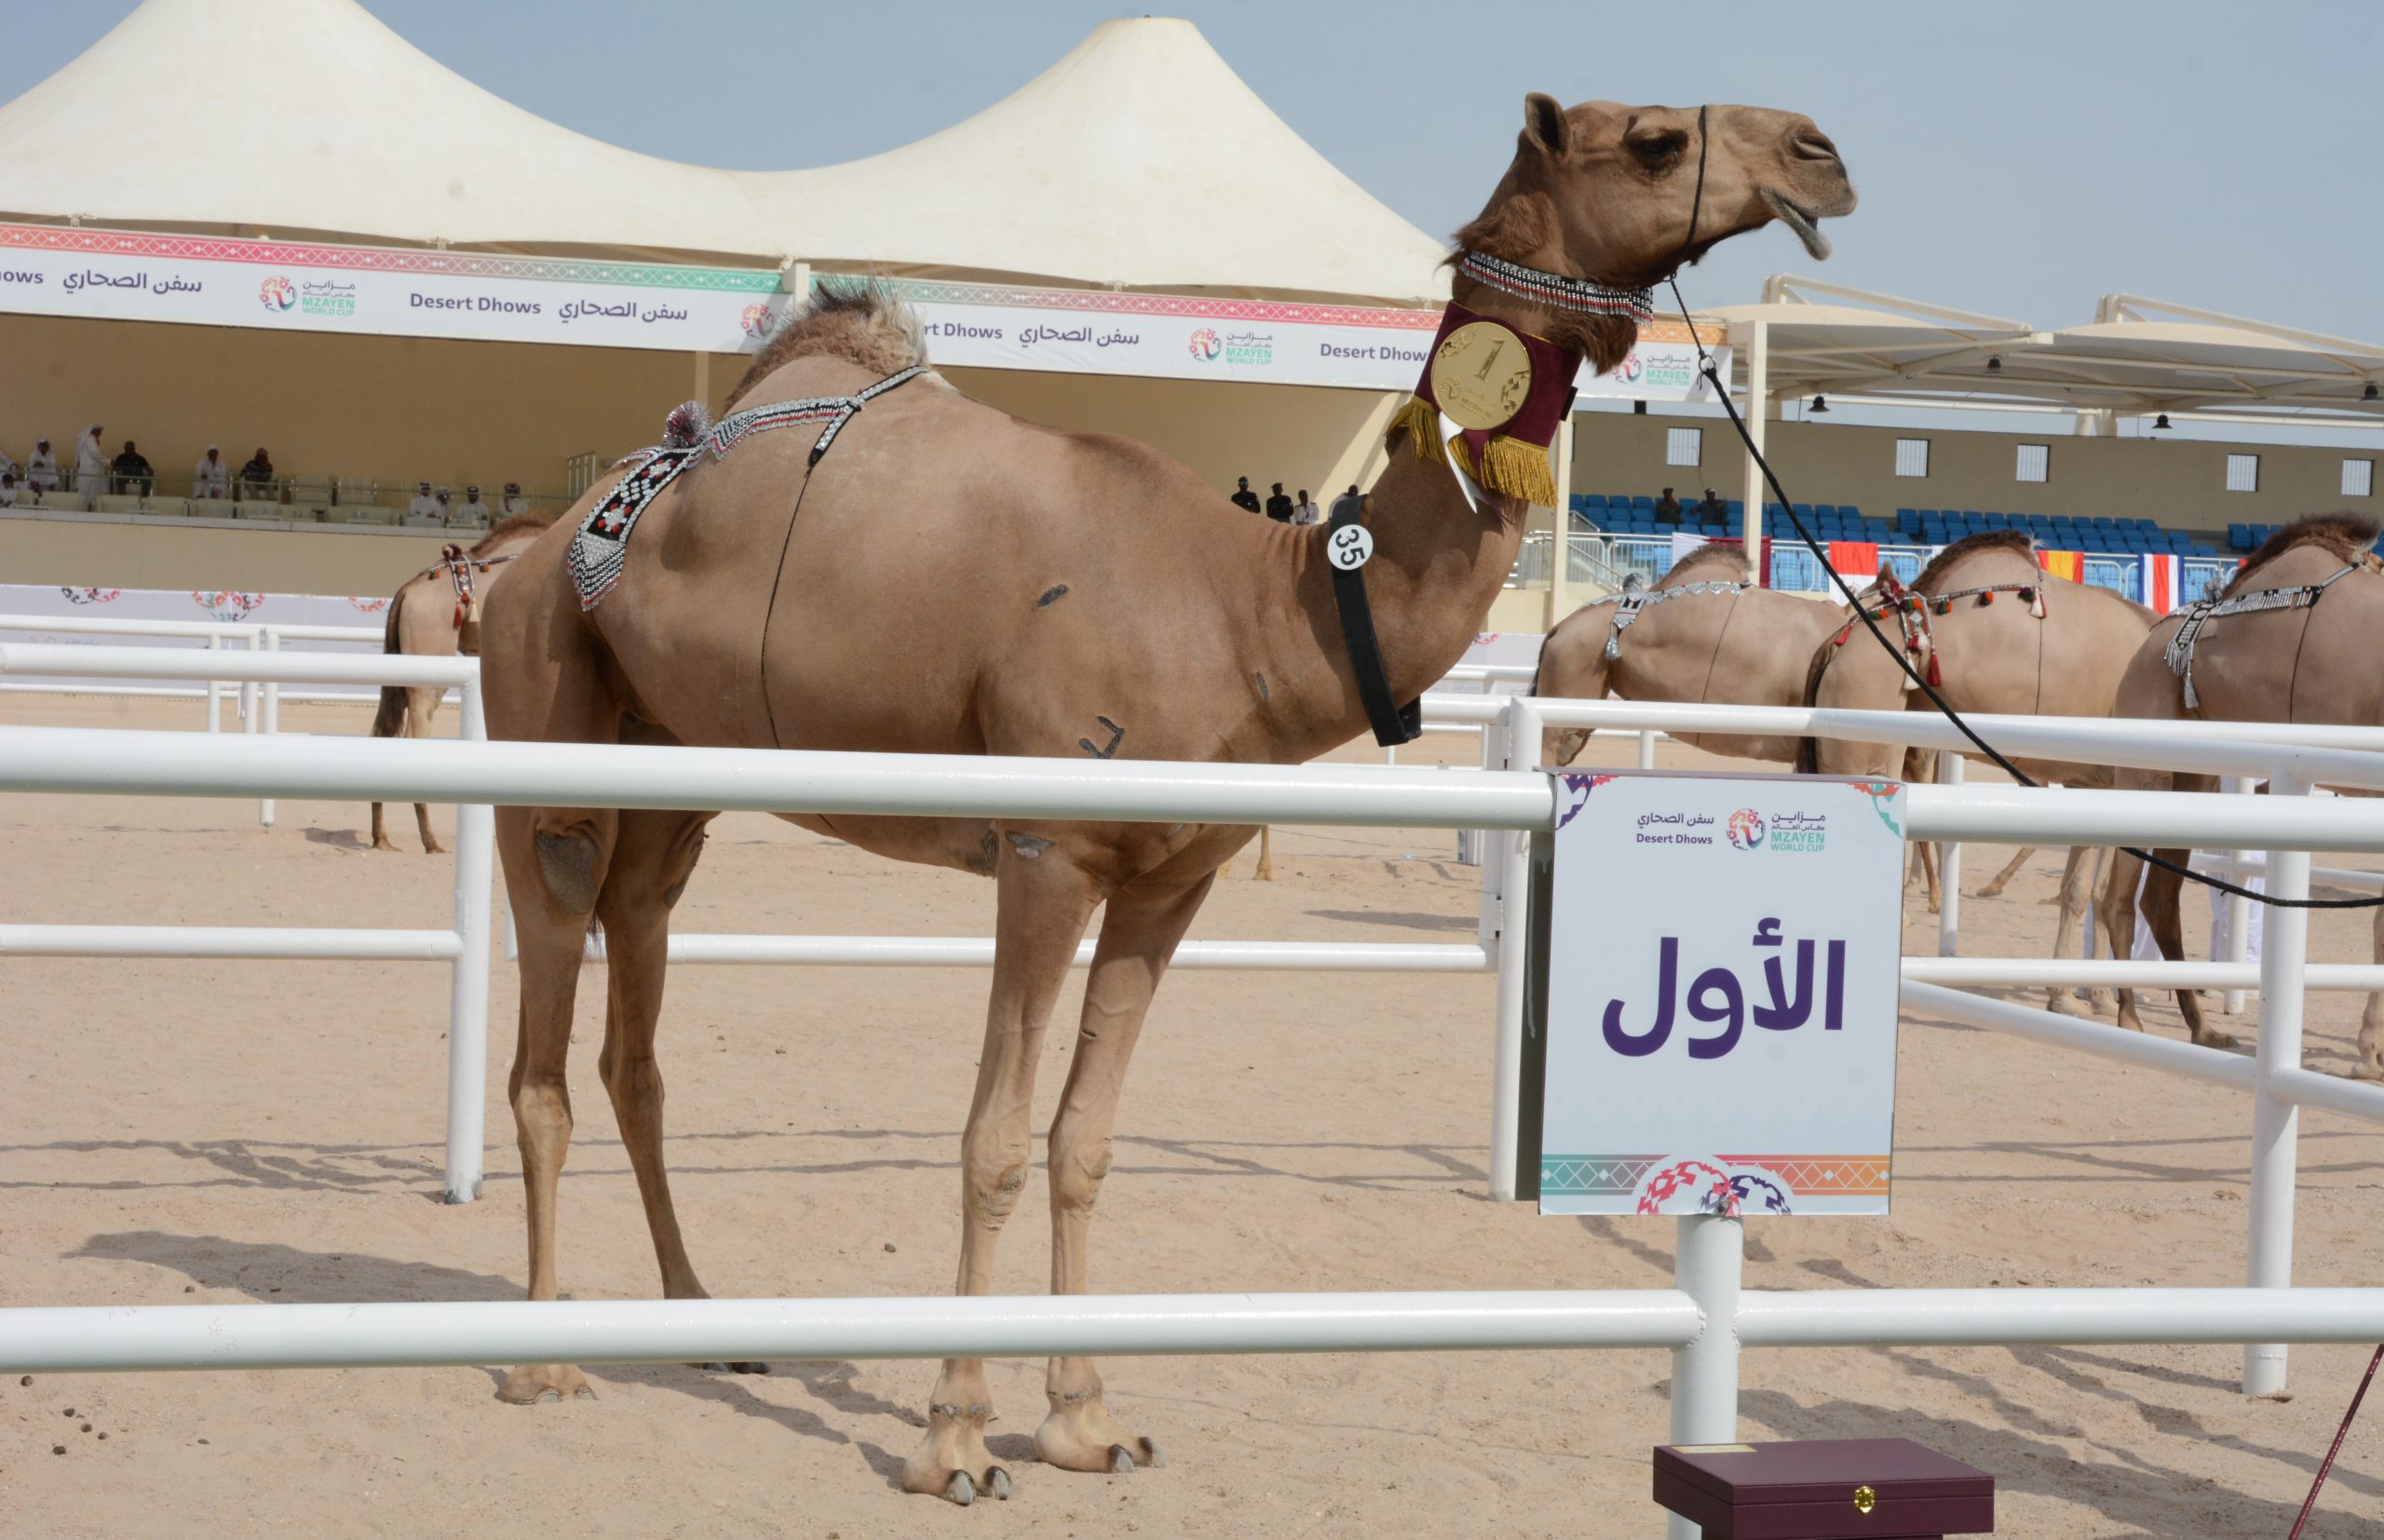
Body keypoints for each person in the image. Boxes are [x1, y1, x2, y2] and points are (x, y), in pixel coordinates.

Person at [74, 425, 108, 502]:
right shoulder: (90, 439)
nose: (100, 434)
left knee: (85, 491)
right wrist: (107, 460)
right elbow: (95, 452)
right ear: (94, 431)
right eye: (100, 432)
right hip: (92, 471)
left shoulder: (86, 439)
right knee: (91, 493)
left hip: (86, 470)